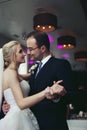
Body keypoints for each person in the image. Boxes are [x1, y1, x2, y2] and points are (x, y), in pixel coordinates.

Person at [0, 41, 65, 130]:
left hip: (24, 115)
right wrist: (46, 91)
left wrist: (46, 65)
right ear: (12, 56)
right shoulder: (10, 73)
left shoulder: (16, 74)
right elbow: (21, 103)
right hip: (17, 119)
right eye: (20, 51)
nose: (25, 54)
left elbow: (33, 75)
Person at [25, 30, 73, 130]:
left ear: (43, 48)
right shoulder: (35, 68)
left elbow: (71, 95)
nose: (28, 53)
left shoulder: (60, 64)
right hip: (34, 124)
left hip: (54, 125)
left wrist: (56, 97)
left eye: (31, 49)